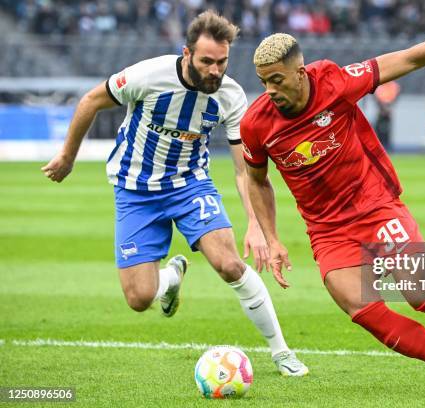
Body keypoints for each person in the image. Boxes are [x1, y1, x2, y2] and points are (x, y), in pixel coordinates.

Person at [241, 12, 425, 398]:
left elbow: (408, 58)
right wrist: (271, 238)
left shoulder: (334, 82)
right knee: (358, 306)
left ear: (300, 72)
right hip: (327, 228)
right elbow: (257, 180)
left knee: (420, 296)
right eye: (263, 82)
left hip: (375, 205)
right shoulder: (256, 124)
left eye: (276, 79)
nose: (269, 90)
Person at [41, 10, 308, 376]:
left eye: (222, 61)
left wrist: (255, 223)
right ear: (187, 54)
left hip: (189, 183)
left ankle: (282, 353)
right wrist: (67, 157)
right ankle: (171, 278)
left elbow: (243, 169)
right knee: (139, 299)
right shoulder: (149, 76)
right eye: (207, 61)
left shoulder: (230, 97)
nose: (216, 70)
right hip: (135, 188)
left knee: (230, 263)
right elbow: (90, 100)